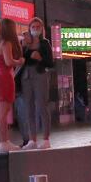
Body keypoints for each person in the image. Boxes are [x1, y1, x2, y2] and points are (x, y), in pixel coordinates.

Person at [17, 18, 55, 149]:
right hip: (26, 76)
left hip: (40, 75)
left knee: (42, 106)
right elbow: (20, 59)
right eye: (33, 26)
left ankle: (46, 139)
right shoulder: (25, 42)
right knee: (29, 108)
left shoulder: (45, 43)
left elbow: (51, 63)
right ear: (29, 28)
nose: (35, 28)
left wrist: (41, 59)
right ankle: (32, 139)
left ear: (42, 28)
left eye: (38, 26)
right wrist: (24, 46)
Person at [0, 18, 25, 150]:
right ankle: (4, 142)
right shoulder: (7, 43)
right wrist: (20, 61)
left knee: (1, 111)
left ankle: (4, 142)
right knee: (3, 113)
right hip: (4, 77)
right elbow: (9, 62)